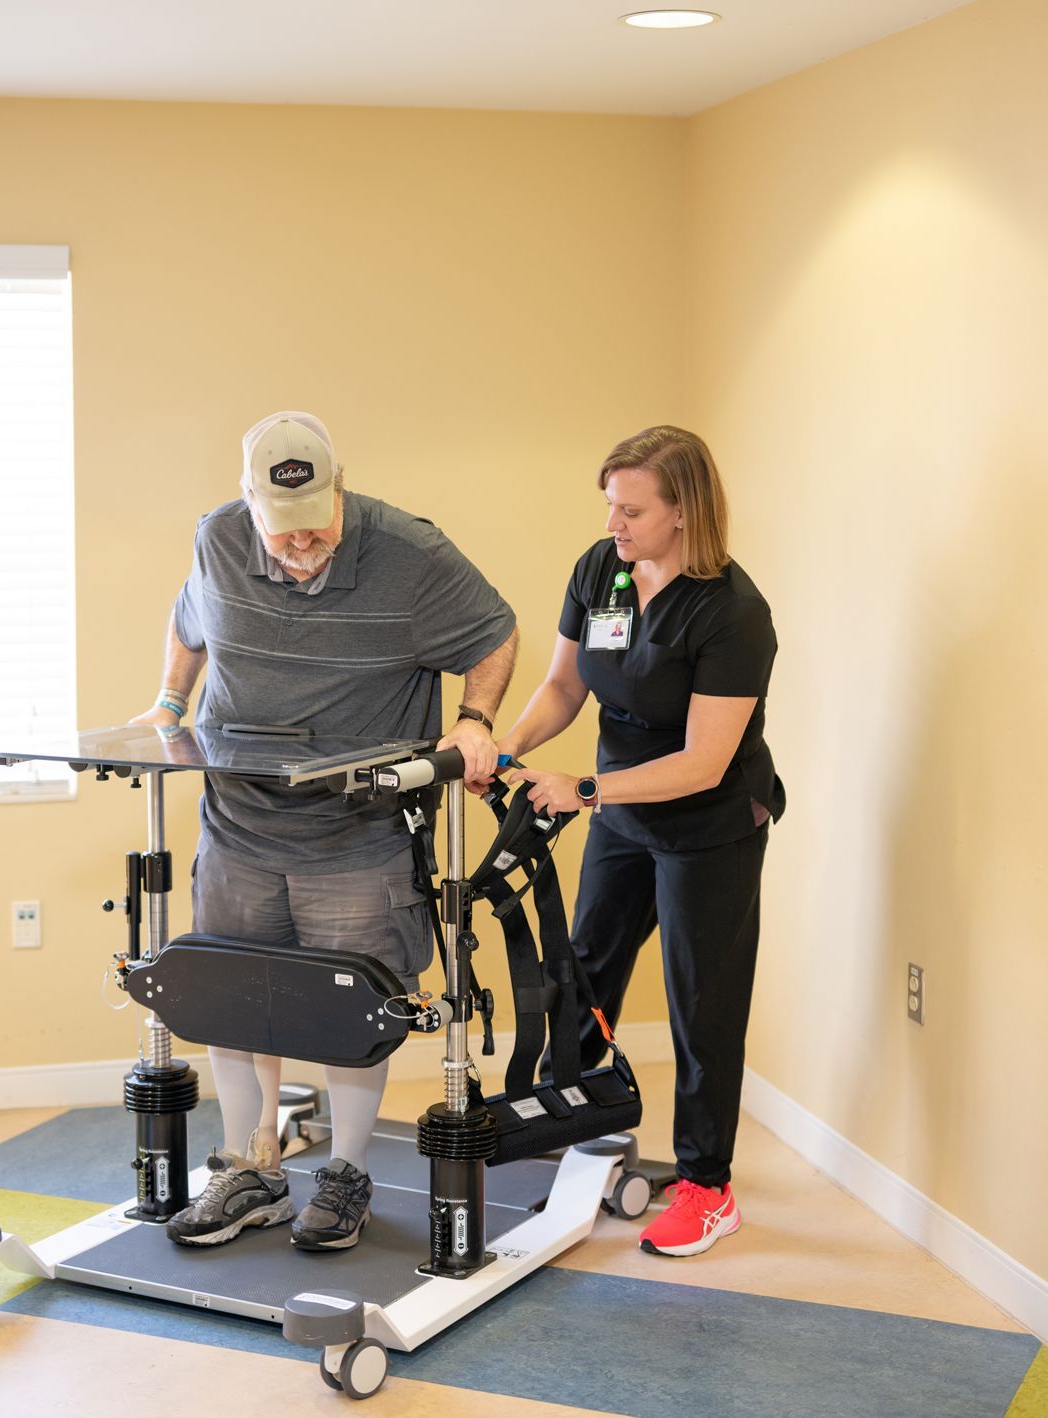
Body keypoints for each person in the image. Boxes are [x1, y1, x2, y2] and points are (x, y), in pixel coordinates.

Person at [132, 410, 517, 1251]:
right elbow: (190, 624)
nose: (300, 551)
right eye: (283, 537)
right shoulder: (220, 538)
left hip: (356, 832)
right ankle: (249, 1168)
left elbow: (495, 633)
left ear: (341, 492)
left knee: (353, 1010)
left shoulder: (411, 555)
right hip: (237, 821)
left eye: (315, 535)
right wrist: (167, 704)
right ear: (248, 504)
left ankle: (343, 1173)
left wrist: (475, 718)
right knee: (232, 1001)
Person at [495, 425, 783, 1259]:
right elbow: (562, 683)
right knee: (584, 968)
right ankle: (579, 1128)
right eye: (609, 507)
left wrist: (583, 788)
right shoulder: (602, 568)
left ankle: (707, 1183)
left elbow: (701, 762)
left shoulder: (733, 612)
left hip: (708, 823)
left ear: (683, 512)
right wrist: (509, 752)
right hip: (622, 809)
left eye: (632, 509)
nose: (614, 524)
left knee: (702, 1000)